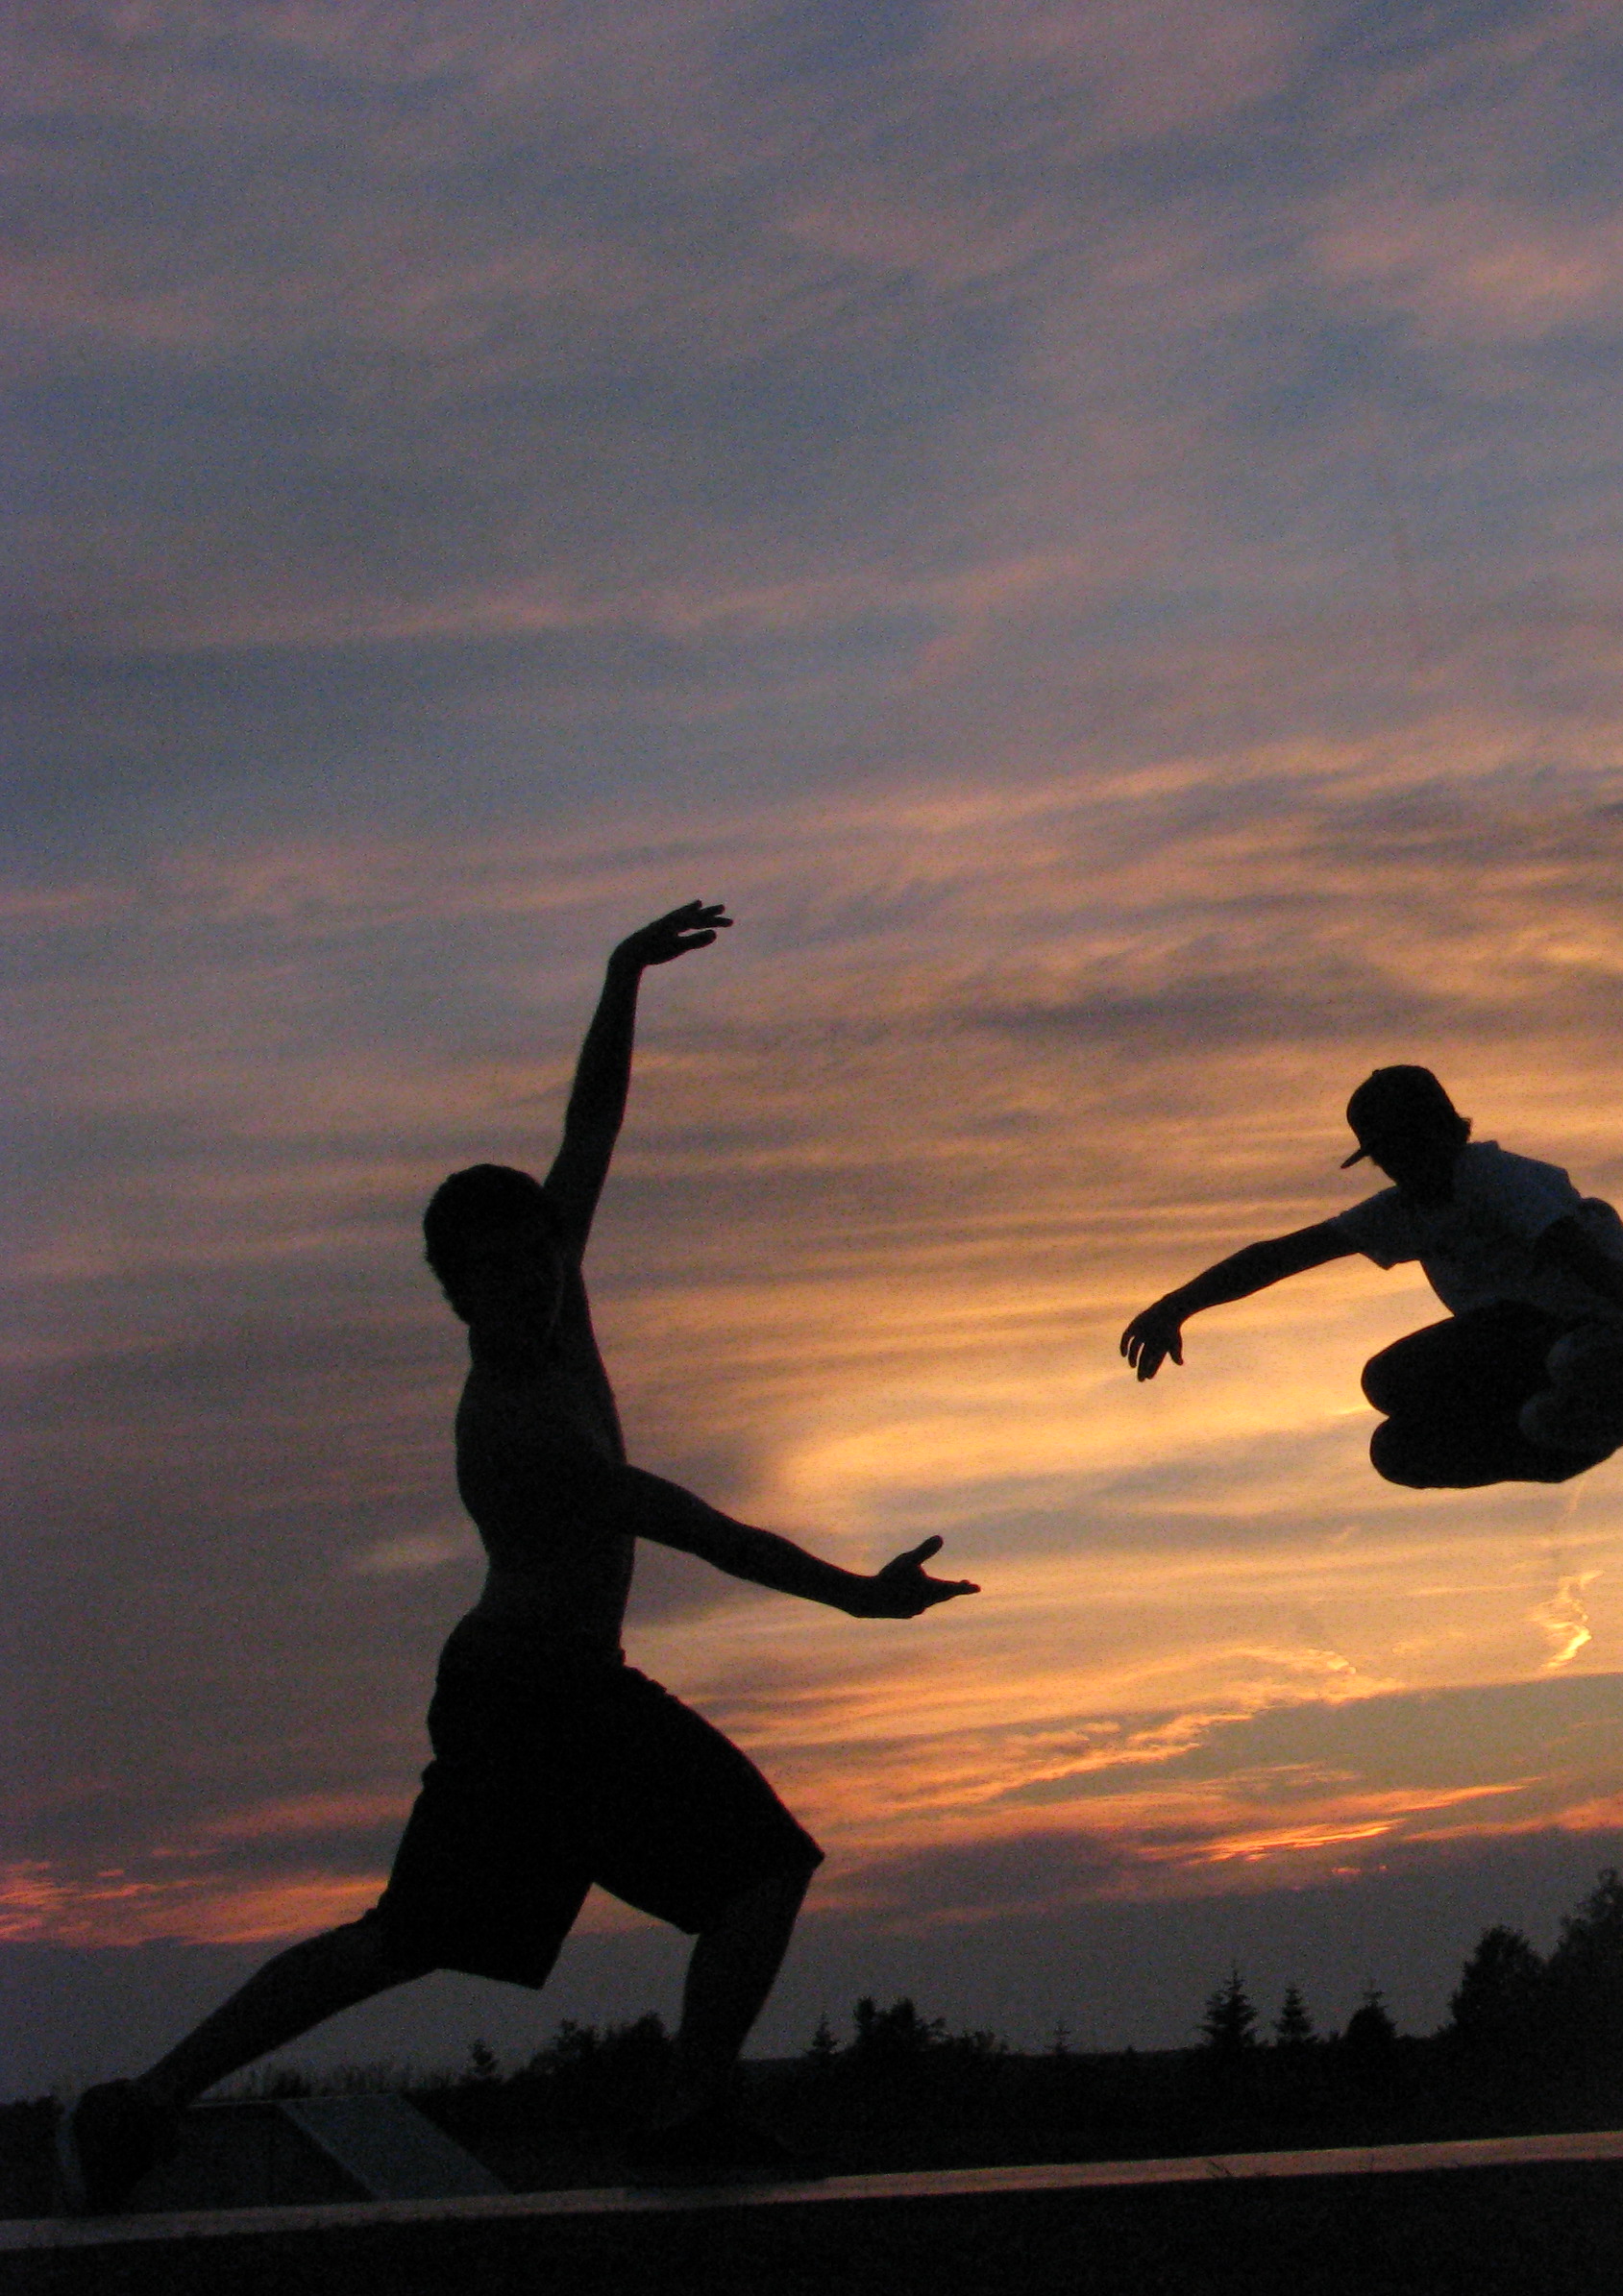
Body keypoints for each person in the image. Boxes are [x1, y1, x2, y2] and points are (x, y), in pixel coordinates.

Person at [54, 901, 976, 2215]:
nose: (533, 1286)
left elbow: (589, 1131)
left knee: (637, 1896)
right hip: (524, 1706)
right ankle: (152, 2107)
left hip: (560, 1691)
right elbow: (691, 1527)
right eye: (499, 1275)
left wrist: (621, 980)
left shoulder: (560, 1294)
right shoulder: (513, 1429)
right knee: (474, 1927)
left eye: (540, 1262)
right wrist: (860, 1598)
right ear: (456, 1292)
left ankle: (677, 2111)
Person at [1120, 1064, 1623, 1488]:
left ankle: (1605, 1382)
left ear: (1442, 1133)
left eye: (1406, 1149)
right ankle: (1564, 1426)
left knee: (1390, 1380)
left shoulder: (1487, 1177)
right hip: (1541, 1367)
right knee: (1399, 1450)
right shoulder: (1407, 1210)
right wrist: (1176, 1306)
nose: (1399, 1167)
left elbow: (1583, 1256)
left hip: (1596, 1333)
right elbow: (1278, 1256)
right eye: (1386, 1157)